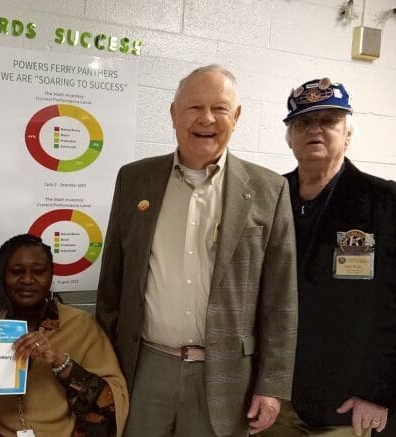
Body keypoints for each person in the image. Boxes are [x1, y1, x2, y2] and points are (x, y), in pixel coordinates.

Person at [96, 64, 298, 437]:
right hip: (144, 366)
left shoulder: (269, 190)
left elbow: (280, 299)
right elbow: (112, 281)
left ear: (236, 117)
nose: (206, 119)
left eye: (220, 108)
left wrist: (272, 385)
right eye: (193, 107)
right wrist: (105, 365)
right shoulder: (134, 179)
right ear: (174, 114)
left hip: (225, 373)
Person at [260, 78, 396, 437]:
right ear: (289, 138)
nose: (315, 130)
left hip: (348, 404)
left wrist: (379, 392)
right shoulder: (267, 197)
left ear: (348, 135)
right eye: (303, 122)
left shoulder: (385, 202)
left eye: (329, 121)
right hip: (272, 398)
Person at [0, 234, 129, 436]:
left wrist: (59, 361)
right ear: (3, 276)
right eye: (16, 271)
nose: (27, 280)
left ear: (51, 276)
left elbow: (111, 401)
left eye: (38, 272)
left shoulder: (80, 325)